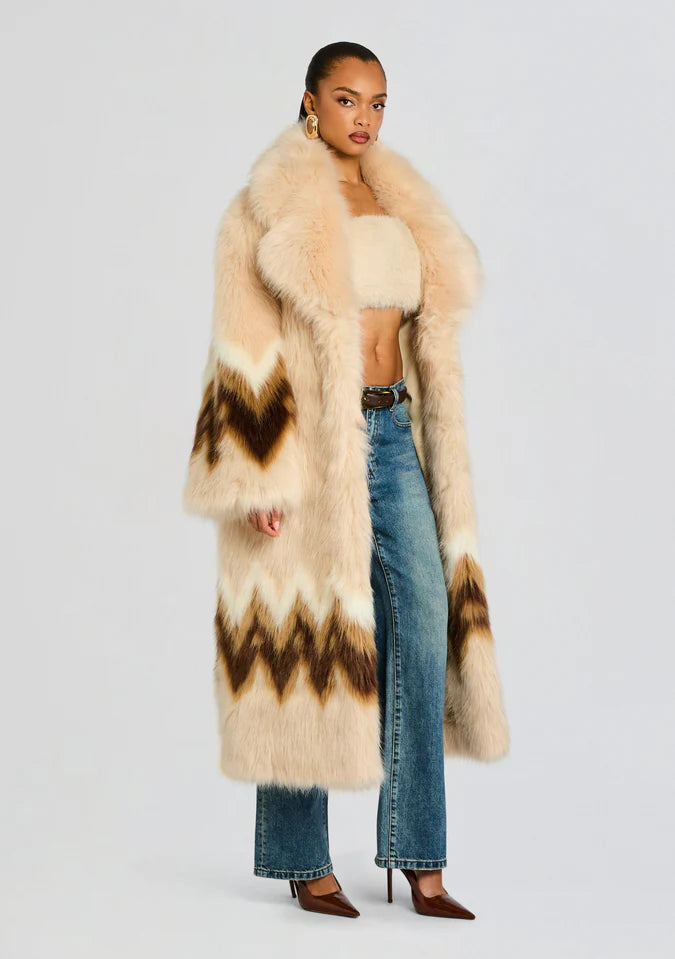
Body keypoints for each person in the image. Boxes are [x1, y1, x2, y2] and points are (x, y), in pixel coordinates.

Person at [183, 41, 509, 920]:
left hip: (393, 432)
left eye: (377, 102)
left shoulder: (399, 199)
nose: (363, 117)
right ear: (309, 101)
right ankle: (302, 858)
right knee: (305, 637)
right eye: (346, 98)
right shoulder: (265, 206)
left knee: (423, 626)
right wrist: (257, 471)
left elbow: (420, 327)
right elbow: (241, 343)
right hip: (311, 447)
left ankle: (418, 854)